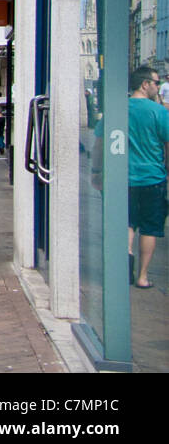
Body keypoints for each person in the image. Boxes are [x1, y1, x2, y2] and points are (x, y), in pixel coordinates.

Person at [95, 66, 168, 290]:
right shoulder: (159, 112)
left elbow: (99, 141)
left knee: (127, 224)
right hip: (152, 179)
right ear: (145, 84)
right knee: (149, 228)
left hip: (122, 179)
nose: (158, 87)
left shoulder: (117, 109)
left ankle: (124, 269)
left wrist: (96, 171)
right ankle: (142, 277)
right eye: (156, 83)